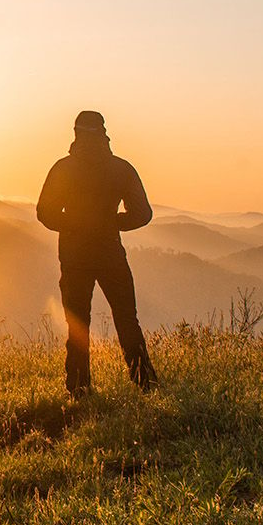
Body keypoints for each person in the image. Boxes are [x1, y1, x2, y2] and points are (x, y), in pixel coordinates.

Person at [36, 110, 158, 397]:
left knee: (78, 323)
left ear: (76, 133)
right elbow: (143, 214)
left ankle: (79, 388)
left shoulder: (63, 169)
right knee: (127, 319)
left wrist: (74, 225)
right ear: (104, 133)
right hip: (110, 253)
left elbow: (45, 213)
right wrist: (112, 222)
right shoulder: (121, 168)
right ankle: (145, 383)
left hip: (74, 255)